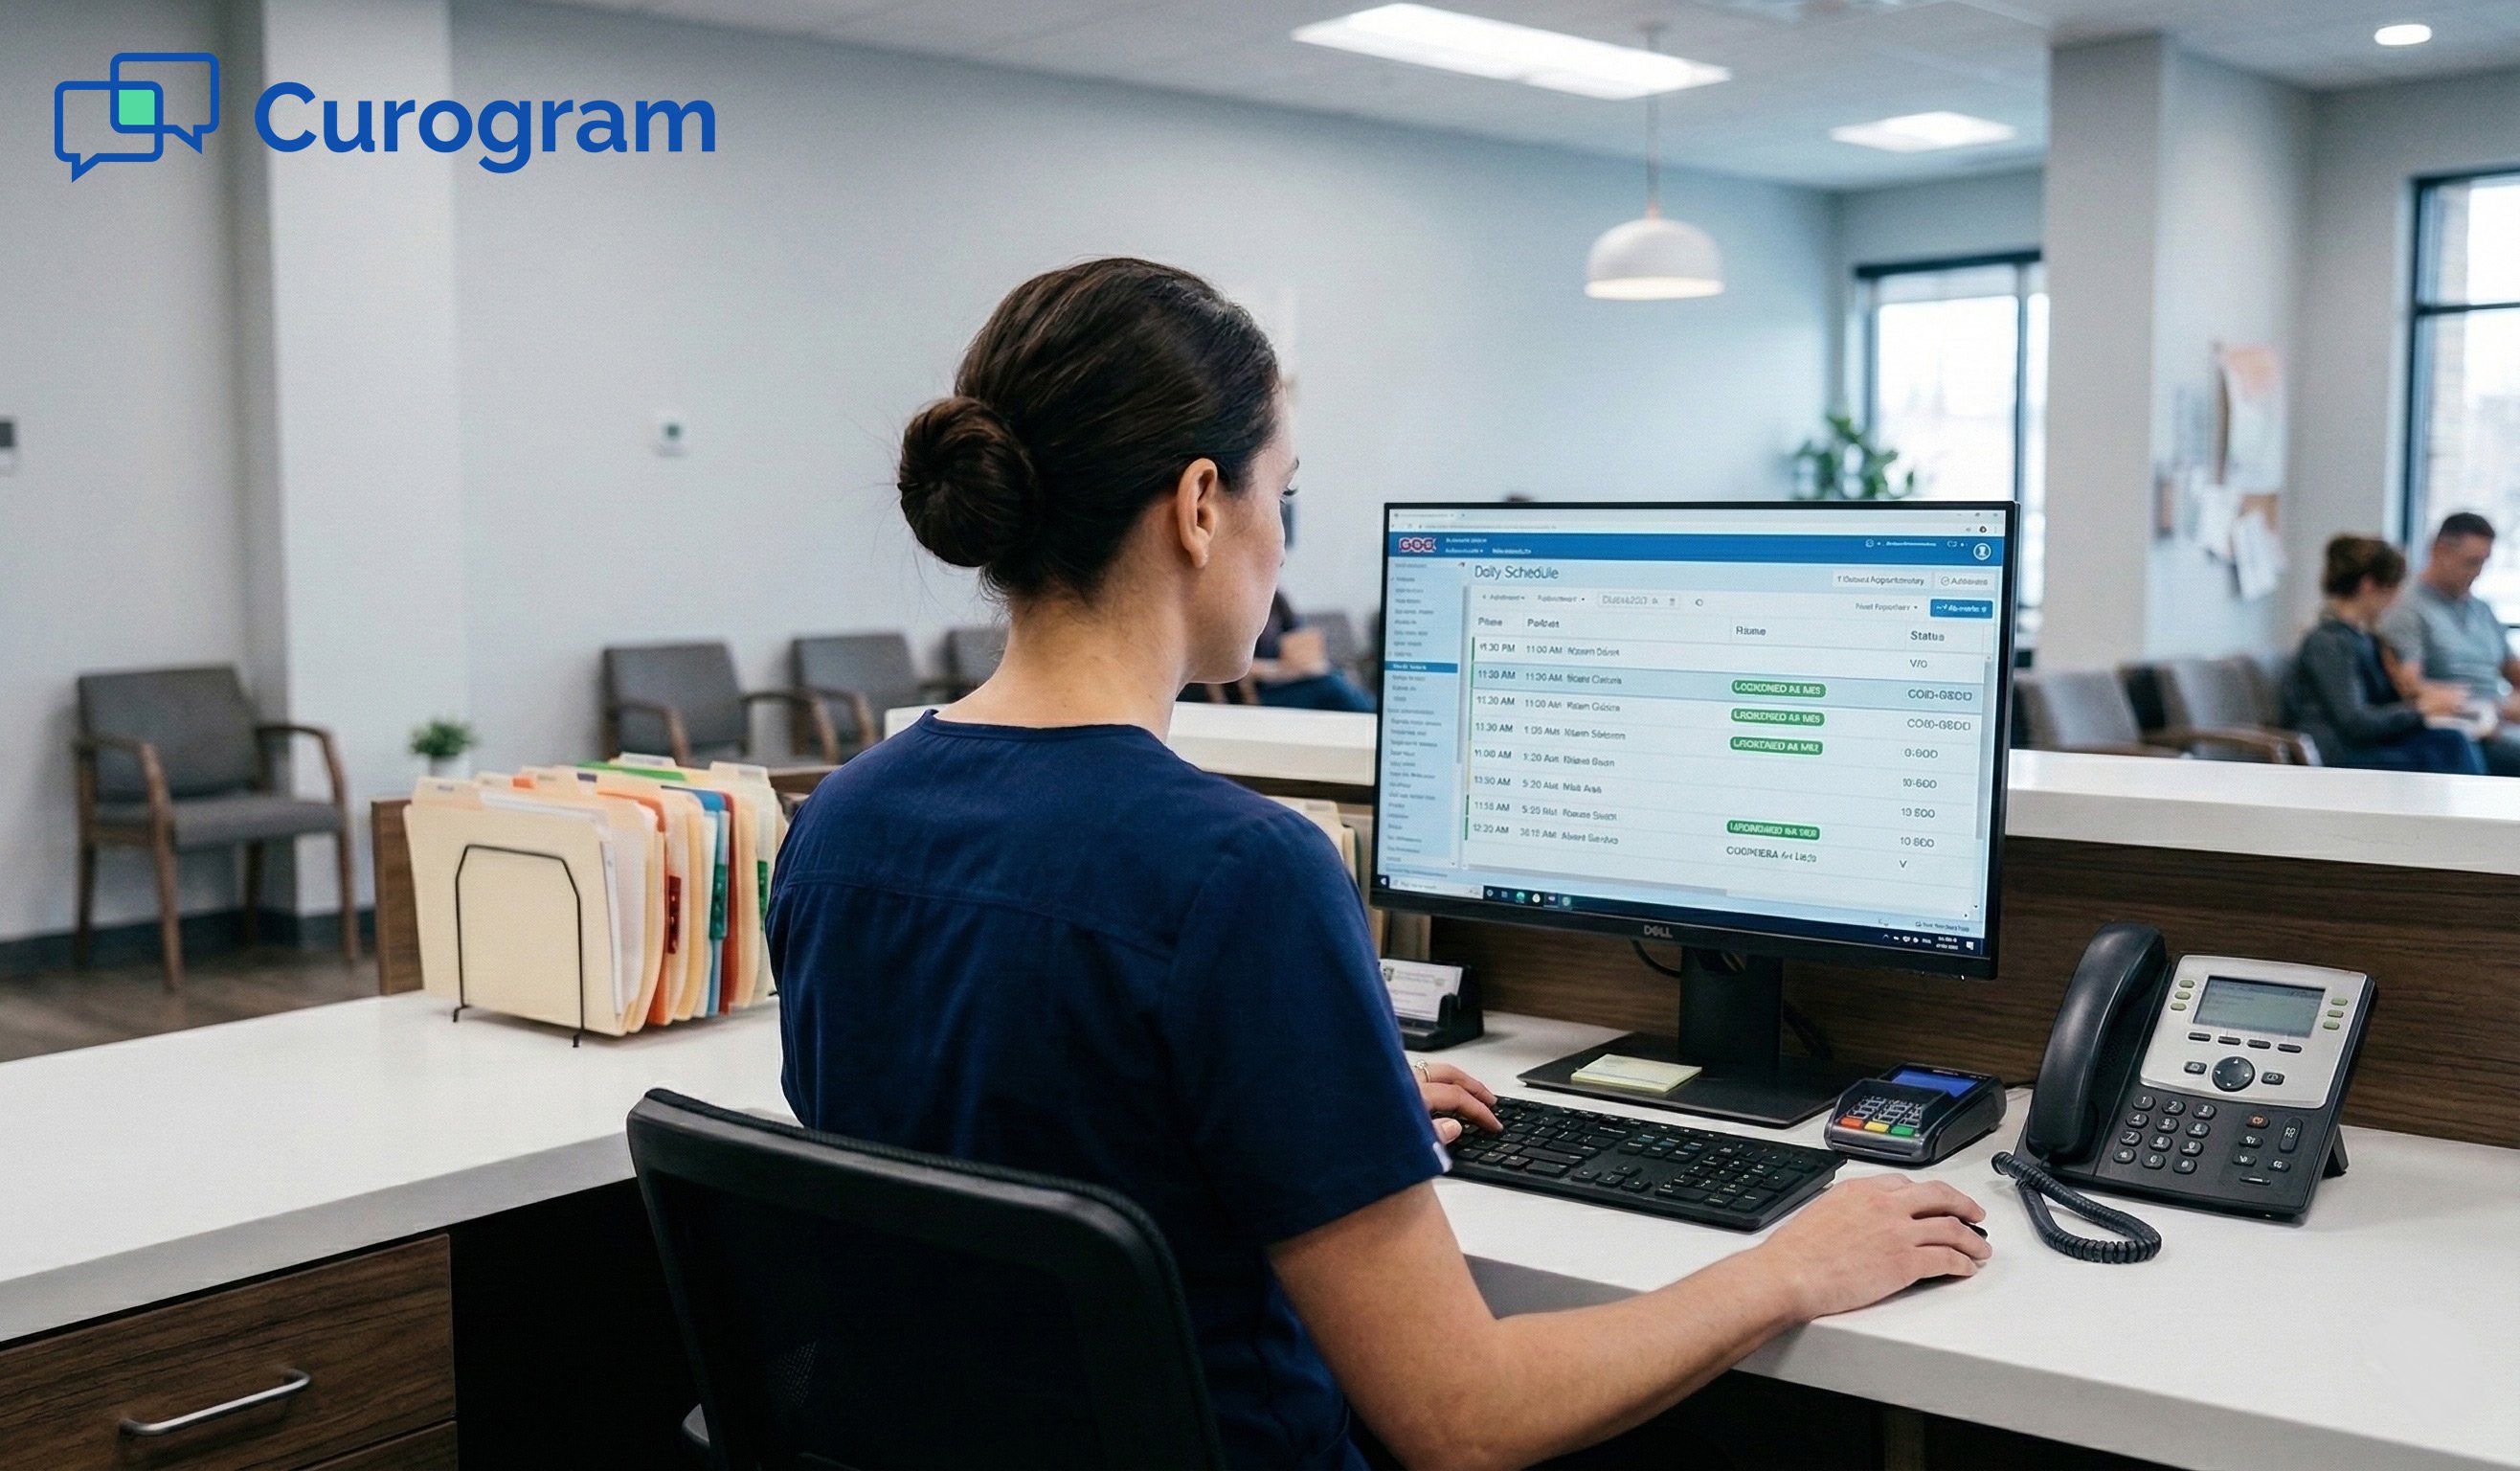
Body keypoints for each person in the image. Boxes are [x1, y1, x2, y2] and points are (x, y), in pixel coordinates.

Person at [770, 258, 1989, 1471]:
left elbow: (1018, 1133)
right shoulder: (1238, 871)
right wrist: (1788, 1266)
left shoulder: (839, 823)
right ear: (1201, 505)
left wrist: (1311, 1120)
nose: (1280, 543)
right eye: (1280, 495)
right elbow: (1465, 1419)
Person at [2284, 535, 2486, 775]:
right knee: (2451, 750)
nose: (2394, 601)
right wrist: (2420, 709)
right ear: (2369, 586)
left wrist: (2425, 695)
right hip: (2342, 755)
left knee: (2452, 740)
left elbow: (2382, 703)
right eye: (2391, 591)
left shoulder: (2365, 638)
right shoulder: (2329, 642)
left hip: (2368, 744)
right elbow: (2356, 722)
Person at [2377, 511, 2520, 775]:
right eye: (2471, 562)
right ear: (2439, 551)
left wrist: (2508, 705)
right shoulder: (2407, 609)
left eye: (2484, 563)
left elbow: (2514, 670)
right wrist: (2481, 707)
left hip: (2501, 720)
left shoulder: (2481, 609)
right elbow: (2409, 686)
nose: (2478, 573)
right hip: (2465, 730)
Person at [1252, 590, 1377, 711]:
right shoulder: (1248, 604)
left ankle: (1373, 712)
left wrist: (1304, 666)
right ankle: (1374, 713)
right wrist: (1282, 669)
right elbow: (1247, 670)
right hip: (1264, 691)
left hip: (1292, 679)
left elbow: (1302, 642)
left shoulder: (1276, 599)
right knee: (1331, 685)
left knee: (1337, 676)